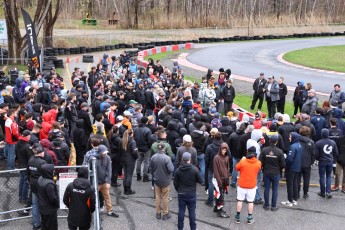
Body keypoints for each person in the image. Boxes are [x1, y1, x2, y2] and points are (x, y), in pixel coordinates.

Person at [174, 152, 203, 230]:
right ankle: (193, 228)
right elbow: (201, 180)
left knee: (181, 211)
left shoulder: (178, 170)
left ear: (183, 159)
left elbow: (175, 183)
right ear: (190, 159)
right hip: (191, 193)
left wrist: (178, 190)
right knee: (192, 212)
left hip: (181, 193)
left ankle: (180, 228)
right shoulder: (194, 169)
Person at [235, 146, 262, 224]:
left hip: (242, 184)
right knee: (250, 202)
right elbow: (258, 169)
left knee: (240, 200)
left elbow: (236, 168)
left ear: (247, 152)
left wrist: (242, 160)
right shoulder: (258, 163)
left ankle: (237, 217)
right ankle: (249, 218)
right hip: (252, 185)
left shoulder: (243, 161)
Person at [260, 135, 286, 211]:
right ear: (277, 142)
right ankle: (273, 206)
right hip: (276, 173)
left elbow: (260, 161)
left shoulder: (264, 150)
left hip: (266, 172)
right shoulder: (280, 152)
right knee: (275, 189)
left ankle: (266, 205)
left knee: (267, 188)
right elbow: (283, 164)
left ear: (269, 141)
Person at [149, 143, 174, 220]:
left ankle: (158, 213)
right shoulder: (167, 158)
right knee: (165, 197)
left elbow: (150, 168)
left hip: (156, 180)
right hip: (165, 180)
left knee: (157, 196)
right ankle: (165, 213)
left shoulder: (153, 157)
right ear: (164, 149)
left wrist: (154, 175)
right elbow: (171, 169)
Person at [95, 145, 119, 217]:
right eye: (104, 153)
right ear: (100, 153)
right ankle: (94, 212)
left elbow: (109, 170)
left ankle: (110, 211)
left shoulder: (107, 158)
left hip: (104, 181)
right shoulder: (94, 160)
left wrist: (108, 181)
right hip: (96, 182)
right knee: (94, 198)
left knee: (107, 196)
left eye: (106, 153)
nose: (105, 154)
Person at [27, 144, 47, 230]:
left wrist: (30, 180)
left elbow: (28, 172)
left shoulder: (30, 160)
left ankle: (36, 223)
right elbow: (46, 175)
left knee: (35, 204)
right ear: (40, 153)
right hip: (41, 185)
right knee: (43, 204)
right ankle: (44, 222)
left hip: (33, 184)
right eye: (43, 152)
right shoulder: (43, 162)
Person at [315, 129, 338, 198]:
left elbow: (316, 154)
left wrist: (318, 159)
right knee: (329, 177)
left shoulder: (318, 143)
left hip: (322, 161)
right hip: (330, 161)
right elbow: (336, 153)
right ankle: (328, 192)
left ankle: (322, 192)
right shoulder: (333, 142)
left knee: (322, 176)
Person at [281, 132, 302, 207]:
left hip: (291, 168)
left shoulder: (293, 147)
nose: (289, 138)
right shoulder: (299, 145)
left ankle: (289, 201)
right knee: (295, 183)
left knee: (290, 184)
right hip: (297, 167)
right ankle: (294, 199)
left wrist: (285, 165)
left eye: (290, 137)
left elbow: (290, 159)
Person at [37, 164, 59, 230]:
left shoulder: (40, 179)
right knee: (52, 227)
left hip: (42, 208)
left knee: (44, 225)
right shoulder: (49, 184)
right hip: (50, 210)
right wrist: (57, 204)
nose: (53, 172)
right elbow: (53, 198)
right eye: (52, 170)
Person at [213, 142, 231, 218]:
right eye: (223, 149)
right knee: (220, 196)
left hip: (224, 179)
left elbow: (227, 168)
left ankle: (216, 208)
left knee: (220, 194)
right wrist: (219, 181)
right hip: (218, 180)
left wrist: (227, 178)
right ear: (220, 149)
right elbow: (216, 171)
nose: (224, 151)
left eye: (225, 150)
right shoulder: (216, 158)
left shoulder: (226, 157)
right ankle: (220, 211)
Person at [297, 126, 316, 199]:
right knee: (306, 178)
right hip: (307, 163)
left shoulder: (297, 141)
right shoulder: (311, 142)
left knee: (297, 179)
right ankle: (305, 192)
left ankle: (297, 192)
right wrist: (311, 162)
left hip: (298, 162)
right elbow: (313, 154)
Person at [134, 116, 153, 182]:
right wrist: (149, 146)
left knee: (139, 161)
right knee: (146, 162)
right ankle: (145, 176)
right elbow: (149, 140)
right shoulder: (147, 130)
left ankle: (138, 174)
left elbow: (135, 137)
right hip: (146, 148)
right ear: (147, 122)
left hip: (139, 147)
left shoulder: (136, 129)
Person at [121, 129, 138, 195]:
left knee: (125, 174)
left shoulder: (122, 140)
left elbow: (120, 150)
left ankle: (125, 188)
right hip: (130, 160)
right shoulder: (132, 141)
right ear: (131, 134)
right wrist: (136, 157)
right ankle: (128, 189)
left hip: (124, 159)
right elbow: (134, 151)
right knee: (129, 175)